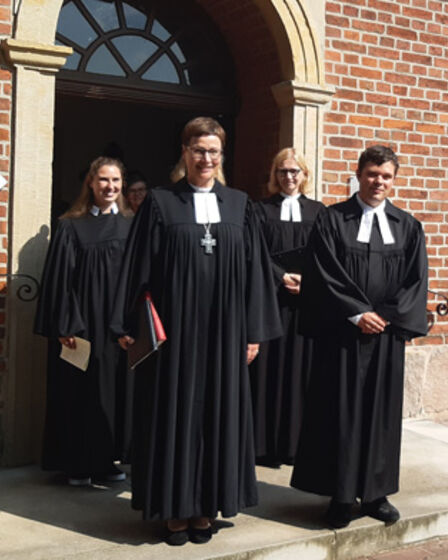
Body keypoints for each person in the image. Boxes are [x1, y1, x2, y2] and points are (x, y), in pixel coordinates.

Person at [111, 117, 282, 546]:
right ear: (184, 153)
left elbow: (256, 273)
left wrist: (254, 332)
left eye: (213, 151)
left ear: (222, 156)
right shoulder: (160, 203)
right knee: (175, 417)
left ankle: (206, 507)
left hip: (226, 335)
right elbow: (138, 268)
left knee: (216, 417)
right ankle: (174, 508)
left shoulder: (241, 205)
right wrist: (127, 323)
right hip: (176, 334)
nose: (206, 158)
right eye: (198, 150)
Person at [290, 145, 428, 529]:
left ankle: (375, 494)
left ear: (394, 180)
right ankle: (339, 495)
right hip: (342, 336)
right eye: (371, 174)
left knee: (380, 416)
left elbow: (416, 280)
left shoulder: (407, 226)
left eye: (386, 176)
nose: (378, 182)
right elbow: (324, 272)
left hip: (384, 339)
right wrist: (357, 313)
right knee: (340, 414)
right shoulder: (333, 220)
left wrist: (383, 316)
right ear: (358, 174)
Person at [34, 156, 132, 486]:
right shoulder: (71, 226)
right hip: (83, 327)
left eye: (116, 181)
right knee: (80, 394)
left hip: (118, 329)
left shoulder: (132, 227)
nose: (110, 187)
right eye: (103, 180)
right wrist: (67, 326)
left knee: (113, 394)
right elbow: (61, 280)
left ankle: (107, 461)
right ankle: (77, 464)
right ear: (90, 183)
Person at [250, 148, 324, 467]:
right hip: (270, 300)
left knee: (300, 371)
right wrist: (281, 276)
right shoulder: (260, 210)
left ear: (305, 175)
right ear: (274, 175)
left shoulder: (319, 212)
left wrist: (308, 280)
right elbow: (253, 251)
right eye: (283, 171)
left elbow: (326, 255)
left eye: (295, 172)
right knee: (269, 370)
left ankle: (296, 446)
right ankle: (264, 445)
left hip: (305, 304)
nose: (289, 177)